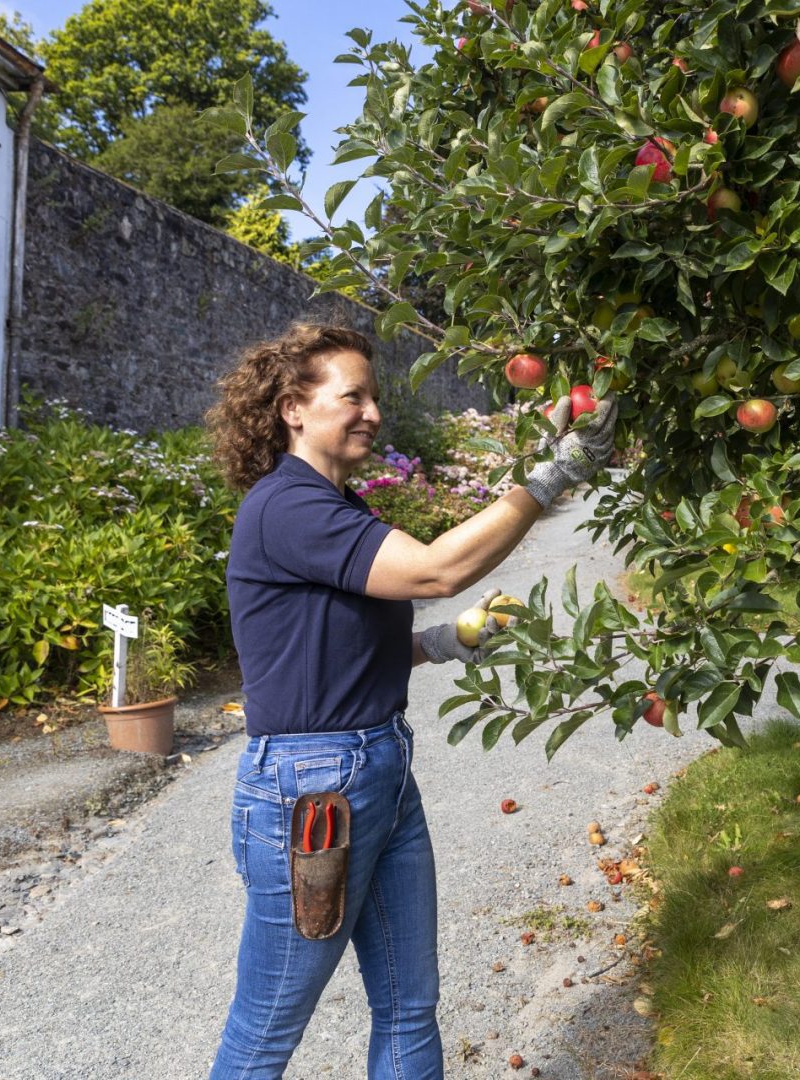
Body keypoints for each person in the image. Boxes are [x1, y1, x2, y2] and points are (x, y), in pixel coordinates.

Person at [203, 322, 616, 1078]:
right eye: (351, 396)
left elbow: (328, 647)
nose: (372, 412)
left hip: (379, 773)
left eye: (376, 397)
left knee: (407, 1003)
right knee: (266, 1030)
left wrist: (434, 645)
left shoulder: (337, 504)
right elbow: (433, 571)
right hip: (314, 791)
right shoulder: (287, 506)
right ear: (293, 408)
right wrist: (551, 479)